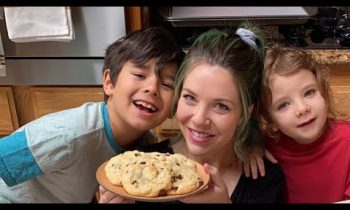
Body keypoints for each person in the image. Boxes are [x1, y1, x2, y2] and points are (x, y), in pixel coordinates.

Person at [99, 23, 285, 204]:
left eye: (221, 106)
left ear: (245, 114)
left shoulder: (264, 180)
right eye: (190, 97)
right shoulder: (141, 170)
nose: (199, 119)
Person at [0, 26, 185, 203]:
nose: (152, 88)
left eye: (167, 84)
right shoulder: (69, 135)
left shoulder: (146, 148)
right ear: (109, 83)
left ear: (174, 107)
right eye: (139, 75)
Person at [257, 45, 350, 203]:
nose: (302, 109)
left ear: (323, 92)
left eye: (309, 92)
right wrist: (251, 146)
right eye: (283, 105)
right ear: (271, 121)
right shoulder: (265, 150)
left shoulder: (347, 141)